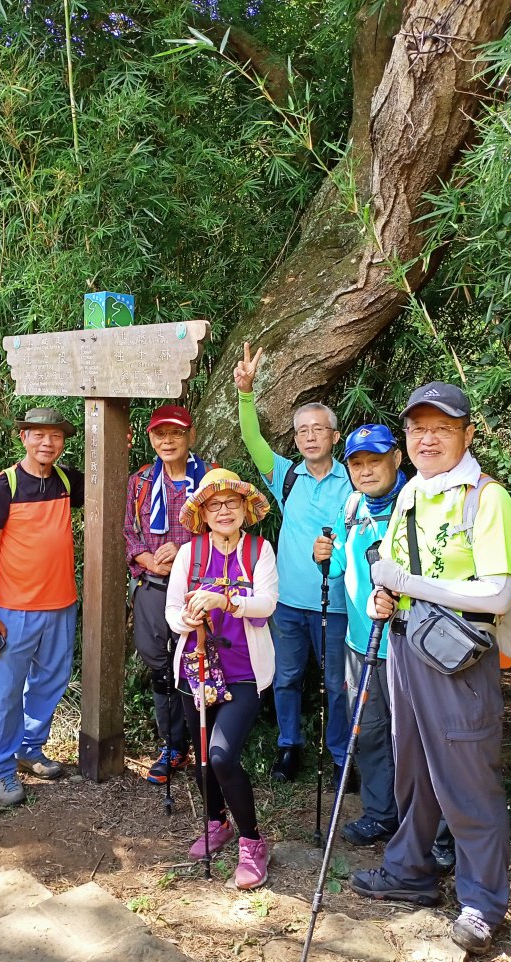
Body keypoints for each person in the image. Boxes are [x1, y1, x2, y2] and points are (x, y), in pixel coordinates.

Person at [349, 382, 511, 955]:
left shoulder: (487, 498)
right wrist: (387, 597)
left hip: (458, 660)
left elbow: (497, 595)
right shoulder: (412, 495)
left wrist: (408, 586)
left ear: (467, 435)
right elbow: (397, 572)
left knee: (467, 778)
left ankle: (482, 902)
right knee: (413, 769)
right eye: (417, 428)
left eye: (441, 427)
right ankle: (410, 870)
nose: (427, 438)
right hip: (405, 646)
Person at [235, 343, 352, 783]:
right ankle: (289, 748)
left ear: (333, 437)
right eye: (301, 430)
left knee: (338, 685)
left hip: (338, 605)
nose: (308, 436)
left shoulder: (353, 480)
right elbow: (251, 439)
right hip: (288, 605)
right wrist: (246, 392)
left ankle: (341, 754)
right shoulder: (287, 476)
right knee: (285, 680)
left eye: (317, 429)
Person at [165, 469, 278, 889]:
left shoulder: (259, 550)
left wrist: (225, 600)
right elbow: (172, 610)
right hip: (195, 670)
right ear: (204, 514)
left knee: (222, 756)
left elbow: (266, 604)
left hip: (244, 673)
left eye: (232, 503)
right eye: (215, 505)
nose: (225, 510)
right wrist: (186, 618)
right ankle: (216, 822)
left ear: (245, 509)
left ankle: (252, 842)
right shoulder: (189, 554)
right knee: (201, 759)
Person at [0, 408, 84, 806]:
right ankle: (2, 769)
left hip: (61, 604)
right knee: (6, 692)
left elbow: (106, 483)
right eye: (38, 435)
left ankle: (29, 747)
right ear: (23, 437)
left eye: (55, 436)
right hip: (14, 609)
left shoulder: (65, 480)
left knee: (51, 681)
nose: (47, 443)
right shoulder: (3, 486)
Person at [313, 424, 405, 845]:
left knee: (414, 741)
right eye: (357, 463)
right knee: (367, 732)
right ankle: (379, 813)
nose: (366, 471)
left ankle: (430, 830)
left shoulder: (417, 502)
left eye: (375, 460)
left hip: (410, 649)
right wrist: (323, 556)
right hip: (359, 645)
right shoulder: (351, 508)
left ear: (397, 458)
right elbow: (336, 570)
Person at [124, 405, 213, 784]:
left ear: (189, 436)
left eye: (176, 433)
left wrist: (183, 552)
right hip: (153, 587)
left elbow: (224, 529)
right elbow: (129, 530)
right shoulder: (141, 481)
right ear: (151, 438)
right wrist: (146, 558)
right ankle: (173, 747)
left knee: (199, 666)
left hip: (199, 590)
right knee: (161, 668)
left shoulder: (210, 479)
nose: (167, 440)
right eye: (160, 434)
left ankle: (207, 749)